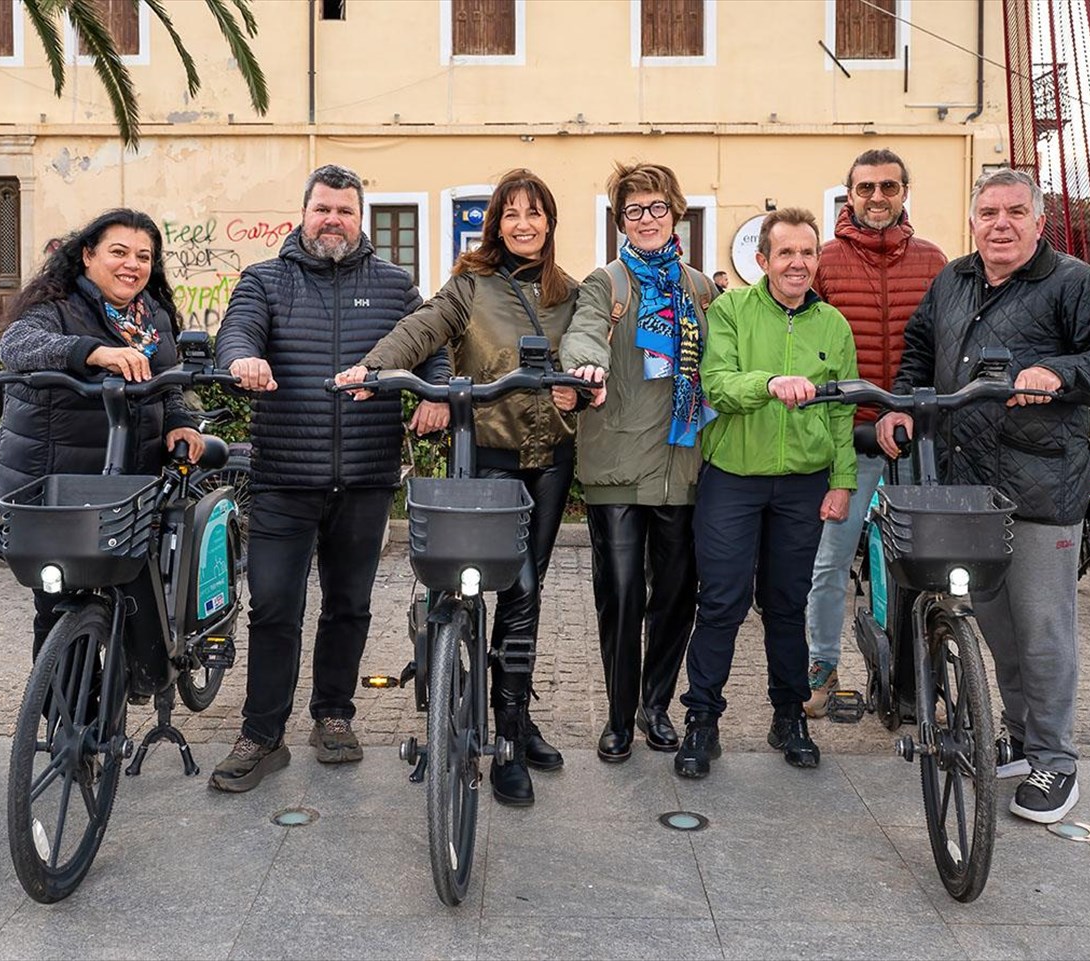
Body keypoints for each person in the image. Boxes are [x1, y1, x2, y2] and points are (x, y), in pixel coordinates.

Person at [877, 168, 1090, 822]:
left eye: (1015, 212)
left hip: (1042, 487)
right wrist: (902, 406)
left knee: (1043, 629)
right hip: (966, 489)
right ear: (973, 221)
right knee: (995, 623)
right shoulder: (954, 280)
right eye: (989, 212)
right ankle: (1021, 739)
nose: (1001, 223)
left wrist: (1057, 371)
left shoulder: (1073, 282)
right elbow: (919, 350)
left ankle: (1056, 761)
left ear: (1038, 222)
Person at [337, 168, 584, 807]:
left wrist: (580, 390)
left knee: (527, 594)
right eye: (511, 214)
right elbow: (422, 327)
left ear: (550, 223)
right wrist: (374, 366)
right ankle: (490, 721)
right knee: (509, 585)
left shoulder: (571, 292)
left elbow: (587, 356)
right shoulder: (470, 285)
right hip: (489, 458)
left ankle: (512, 724)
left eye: (534, 213)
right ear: (496, 223)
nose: (523, 224)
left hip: (551, 459)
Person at [210, 165, 450, 793]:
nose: (333, 221)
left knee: (349, 607)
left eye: (345, 211)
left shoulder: (394, 285)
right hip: (283, 476)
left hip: (366, 476)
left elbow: (433, 345)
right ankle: (262, 735)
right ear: (304, 213)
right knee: (273, 608)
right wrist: (243, 358)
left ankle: (334, 716)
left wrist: (437, 394)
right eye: (323, 209)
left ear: (360, 218)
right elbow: (236, 332)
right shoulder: (265, 279)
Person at [673, 207, 857, 779]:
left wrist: (843, 481)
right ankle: (703, 718)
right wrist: (770, 383)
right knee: (721, 602)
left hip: (804, 482)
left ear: (817, 259)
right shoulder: (730, 310)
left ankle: (789, 715)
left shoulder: (834, 325)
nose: (797, 263)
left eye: (807, 252)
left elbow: (842, 412)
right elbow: (718, 385)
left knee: (786, 604)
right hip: (733, 478)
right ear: (763, 261)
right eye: (785, 253)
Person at [0, 209, 204, 672]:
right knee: (58, 604)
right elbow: (16, 345)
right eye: (119, 252)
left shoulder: (153, 316)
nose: (133, 264)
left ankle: (134, 681)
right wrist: (91, 351)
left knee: (131, 591)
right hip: (55, 477)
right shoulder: (55, 305)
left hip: (130, 476)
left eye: (144, 256)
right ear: (88, 255)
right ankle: (64, 712)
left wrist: (179, 419)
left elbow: (167, 381)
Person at [559, 161, 720, 763]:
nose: (646, 219)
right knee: (623, 595)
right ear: (620, 220)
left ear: (675, 212)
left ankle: (657, 705)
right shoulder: (607, 284)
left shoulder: (701, 289)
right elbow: (583, 332)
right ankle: (619, 714)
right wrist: (585, 365)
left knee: (676, 597)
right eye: (634, 211)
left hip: (682, 466)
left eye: (656, 208)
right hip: (618, 465)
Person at [803, 148, 947, 719]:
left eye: (889, 186)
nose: (878, 197)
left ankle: (917, 676)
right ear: (850, 195)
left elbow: (940, 345)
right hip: (848, 436)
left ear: (904, 192)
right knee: (830, 561)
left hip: (914, 435)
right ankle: (821, 667)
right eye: (866, 188)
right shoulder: (825, 261)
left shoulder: (934, 261)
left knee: (923, 564)